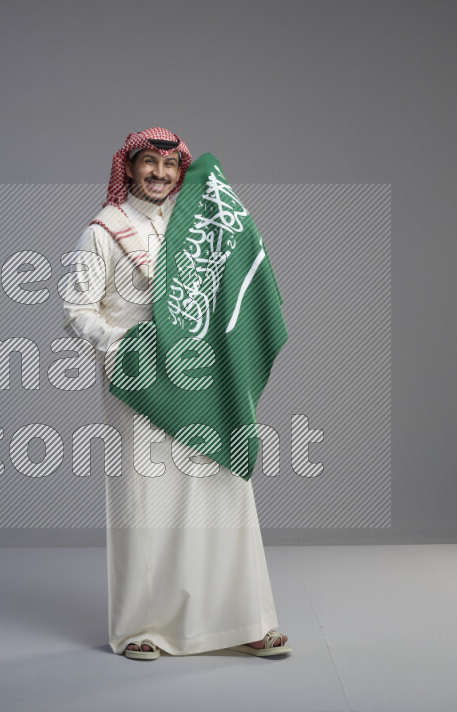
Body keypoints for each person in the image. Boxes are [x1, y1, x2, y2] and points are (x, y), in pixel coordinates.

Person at [62, 127, 290, 660]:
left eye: (170, 166)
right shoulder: (103, 231)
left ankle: (246, 622)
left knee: (224, 490)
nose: (160, 175)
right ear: (130, 167)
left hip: (200, 376)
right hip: (138, 381)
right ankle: (142, 628)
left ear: (180, 170)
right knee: (144, 502)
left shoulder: (197, 225)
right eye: (149, 163)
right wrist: (125, 347)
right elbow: (76, 310)